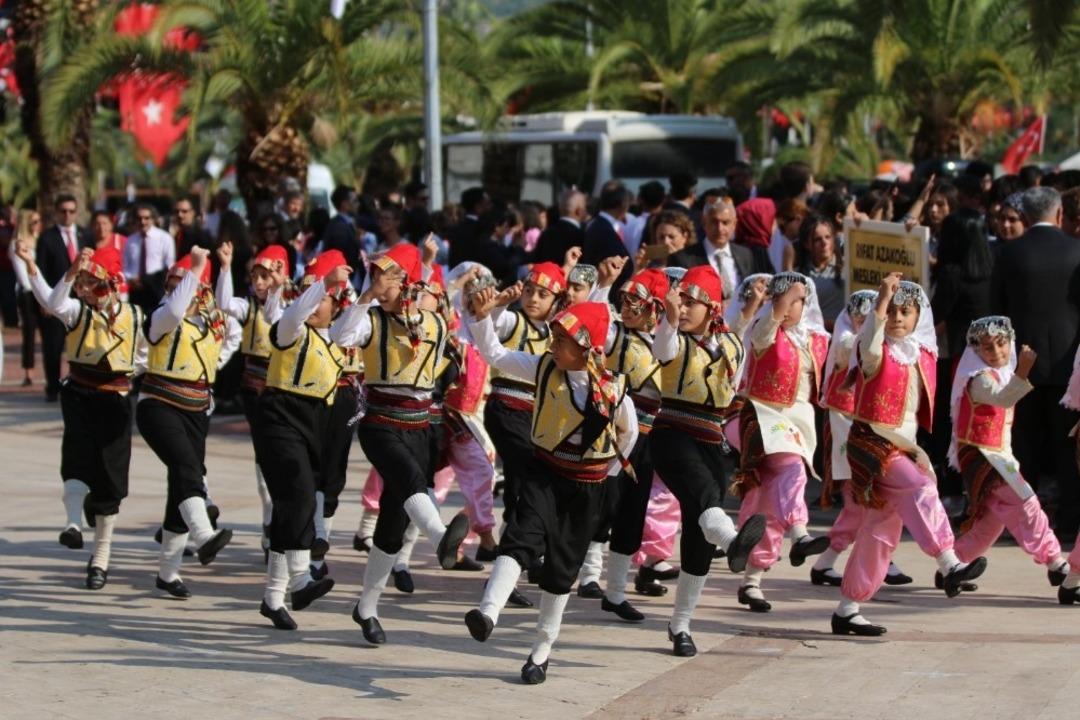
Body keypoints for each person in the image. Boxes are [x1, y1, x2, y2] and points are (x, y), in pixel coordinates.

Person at [463, 296, 638, 685]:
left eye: (561, 339)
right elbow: (494, 353)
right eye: (553, 337)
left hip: (587, 488)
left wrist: (607, 473)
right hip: (546, 473)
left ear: (587, 347)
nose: (552, 346)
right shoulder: (542, 367)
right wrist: (480, 319)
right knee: (520, 539)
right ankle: (488, 612)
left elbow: (630, 434)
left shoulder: (613, 389)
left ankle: (541, 650)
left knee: (561, 571)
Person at [832, 274, 987, 636]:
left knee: (879, 531)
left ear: (919, 316)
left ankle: (847, 609)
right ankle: (949, 564)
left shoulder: (921, 354)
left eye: (906, 311)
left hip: (901, 444)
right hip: (872, 440)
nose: (898, 318)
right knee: (919, 487)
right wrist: (881, 301)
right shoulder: (874, 350)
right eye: (893, 312)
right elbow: (867, 345)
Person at [331, 242, 469, 645]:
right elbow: (341, 335)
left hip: (421, 424)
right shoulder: (370, 319)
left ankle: (366, 607)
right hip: (379, 421)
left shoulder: (434, 323)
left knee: (393, 523)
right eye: (374, 274)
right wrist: (367, 295)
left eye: (386, 276)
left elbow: (448, 365)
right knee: (409, 480)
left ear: (406, 282)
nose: (378, 281)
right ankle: (441, 536)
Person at [14, 243, 146, 590]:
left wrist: (131, 373)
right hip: (79, 392)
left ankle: (101, 556)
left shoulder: (135, 316)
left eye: (95, 284)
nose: (88, 292)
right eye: (84, 284)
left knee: (110, 479)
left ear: (114, 284)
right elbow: (53, 302)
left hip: (116, 399)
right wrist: (61, 270)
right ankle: (73, 525)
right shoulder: (77, 311)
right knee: (76, 458)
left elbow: (147, 351)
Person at [650, 265, 765, 656]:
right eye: (678, 300)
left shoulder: (733, 344)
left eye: (689, 302)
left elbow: (731, 387)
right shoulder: (671, 337)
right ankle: (734, 541)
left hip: (711, 437)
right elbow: (662, 351)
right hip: (672, 431)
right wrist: (668, 320)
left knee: (698, 536)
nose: (680, 308)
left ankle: (680, 625)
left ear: (711, 307)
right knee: (704, 499)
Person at [254, 250, 353, 629]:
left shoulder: (337, 341)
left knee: (292, 503)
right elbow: (293, 312)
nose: (315, 303)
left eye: (324, 297)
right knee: (297, 492)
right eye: (310, 293)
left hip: (313, 422)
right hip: (279, 415)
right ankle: (299, 579)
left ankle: (272, 598)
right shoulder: (288, 329)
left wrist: (367, 292)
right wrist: (324, 281)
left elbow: (358, 313)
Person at [138, 248, 238, 598]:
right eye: (173, 282)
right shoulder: (163, 314)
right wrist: (193, 269)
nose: (177, 288)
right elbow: (177, 308)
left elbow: (235, 334)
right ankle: (204, 536)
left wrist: (212, 368)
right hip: (158, 404)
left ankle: (167, 573)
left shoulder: (212, 323)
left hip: (196, 409)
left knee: (180, 485)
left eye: (186, 283)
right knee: (185, 467)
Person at [730, 272, 831, 611]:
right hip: (761, 415)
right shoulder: (765, 329)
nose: (789, 307)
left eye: (797, 300)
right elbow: (760, 337)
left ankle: (752, 581)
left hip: (798, 425)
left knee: (767, 504)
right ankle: (800, 533)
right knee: (792, 471)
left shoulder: (817, 340)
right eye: (782, 299)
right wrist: (779, 302)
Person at [949, 317, 1068, 592]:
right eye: (988, 348)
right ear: (976, 351)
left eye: (1001, 344)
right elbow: (1003, 398)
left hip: (997, 454)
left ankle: (953, 564)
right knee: (1025, 501)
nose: (997, 352)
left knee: (991, 522)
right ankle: (1055, 562)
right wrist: (1024, 371)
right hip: (983, 456)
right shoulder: (978, 378)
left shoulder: (999, 373)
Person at [991, 186, 1080, 539]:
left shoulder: (1010, 254)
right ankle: (1072, 524)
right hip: (1069, 368)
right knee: (1067, 449)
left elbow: (995, 311)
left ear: (1025, 218)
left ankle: (1023, 524)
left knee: (1021, 447)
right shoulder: (1078, 251)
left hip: (1020, 367)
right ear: (1059, 215)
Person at [810, 291, 913, 587]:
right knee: (862, 499)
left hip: (873, 429)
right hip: (847, 426)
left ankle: (827, 561)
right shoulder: (848, 343)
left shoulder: (887, 348)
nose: (866, 321)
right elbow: (860, 349)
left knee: (865, 502)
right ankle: (871, 562)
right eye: (861, 316)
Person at [214, 242, 292, 558]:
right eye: (255, 277)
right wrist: (224, 266)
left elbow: (277, 316)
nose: (259, 283)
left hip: (285, 390)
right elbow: (222, 301)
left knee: (285, 461)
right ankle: (269, 523)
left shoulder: (294, 305)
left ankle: (284, 525)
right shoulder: (248, 307)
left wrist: (280, 286)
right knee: (264, 465)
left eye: (266, 276)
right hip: (256, 392)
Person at [36, 193, 92, 401]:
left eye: (71, 211)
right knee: (53, 346)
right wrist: (45, 301)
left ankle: (82, 383)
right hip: (56, 300)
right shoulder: (47, 237)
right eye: (63, 211)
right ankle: (52, 387)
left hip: (83, 301)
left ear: (76, 212)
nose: (67, 215)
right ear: (57, 212)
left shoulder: (85, 235)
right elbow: (41, 270)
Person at [667, 199, 760, 301]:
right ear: (704, 222)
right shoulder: (683, 259)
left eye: (725, 222)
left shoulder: (745, 254)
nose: (720, 228)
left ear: (734, 224)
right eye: (714, 222)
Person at [123, 203, 175, 317]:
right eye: (139, 218)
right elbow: (125, 265)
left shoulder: (164, 238)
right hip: (136, 290)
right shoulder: (130, 240)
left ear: (153, 219)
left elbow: (170, 265)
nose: (142, 221)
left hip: (156, 288)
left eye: (146, 218)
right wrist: (130, 278)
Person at [10, 209, 42, 386]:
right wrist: (35, 288)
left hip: (42, 290)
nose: (37, 225)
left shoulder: (39, 240)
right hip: (27, 293)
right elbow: (22, 276)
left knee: (48, 332)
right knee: (28, 333)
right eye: (34, 222)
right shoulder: (16, 244)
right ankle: (28, 372)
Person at [795, 214, 845, 326]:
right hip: (813, 337)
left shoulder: (847, 268)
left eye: (828, 237)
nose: (824, 243)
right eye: (817, 239)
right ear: (806, 244)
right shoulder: (799, 276)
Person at [583, 183, 633, 293]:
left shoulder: (596, 224)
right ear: (623, 204)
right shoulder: (604, 230)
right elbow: (622, 267)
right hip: (604, 292)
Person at [321, 186, 367, 291]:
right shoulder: (338, 227)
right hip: (344, 284)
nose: (358, 204)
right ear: (344, 204)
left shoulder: (348, 224)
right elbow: (340, 257)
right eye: (355, 201)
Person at [532, 189, 587, 267]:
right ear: (579, 211)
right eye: (585, 207)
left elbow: (537, 261)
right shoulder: (582, 236)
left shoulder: (546, 233)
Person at [447, 187, 493, 269]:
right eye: (487, 203)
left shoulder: (456, 228)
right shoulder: (481, 229)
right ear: (478, 206)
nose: (490, 207)